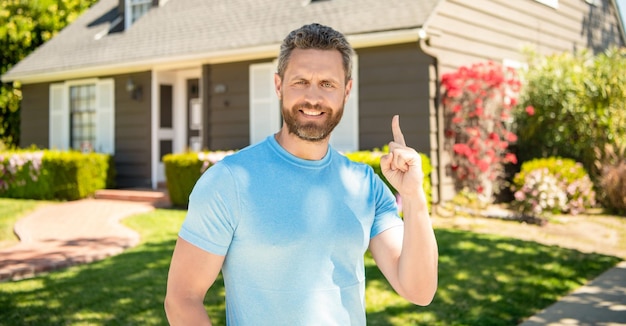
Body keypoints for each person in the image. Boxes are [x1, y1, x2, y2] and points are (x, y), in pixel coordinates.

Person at [164, 23, 438, 325]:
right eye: (301, 81)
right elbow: (182, 298)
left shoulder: (365, 185)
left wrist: (414, 198)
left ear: (347, 90)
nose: (313, 97)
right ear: (279, 85)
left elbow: (419, 290)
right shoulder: (229, 181)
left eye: (327, 84)